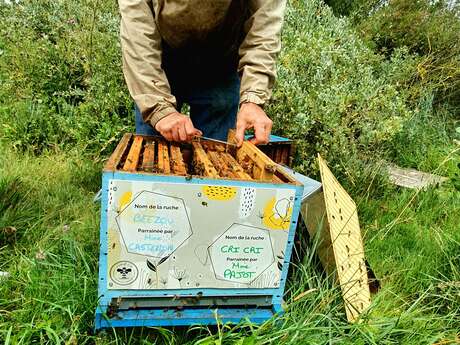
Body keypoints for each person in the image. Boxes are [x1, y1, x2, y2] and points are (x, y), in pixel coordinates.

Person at [118, 1, 286, 147]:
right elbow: (137, 33)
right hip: (160, 62)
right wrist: (158, 109)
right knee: (151, 161)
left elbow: (265, 25)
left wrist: (253, 98)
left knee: (218, 164)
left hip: (221, 62)